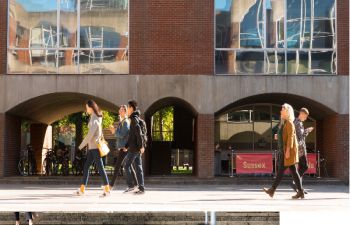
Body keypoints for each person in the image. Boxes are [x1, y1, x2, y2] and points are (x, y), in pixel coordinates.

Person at [263, 103, 305, 199]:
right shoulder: (284, 122)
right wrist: (279, 137)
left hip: (287, 151)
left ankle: (272, 190)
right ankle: (300, 192)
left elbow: (290, 138)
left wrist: (288, 151)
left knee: (282, 171)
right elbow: (286, 136)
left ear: (287, 112)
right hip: (285, 150)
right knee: (293, 172)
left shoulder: (289, 123)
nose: (280, 111)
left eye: (282, 110)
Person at [74, 100, 110, 197]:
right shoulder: (94, 117)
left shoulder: (95, 119)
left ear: (91, 107)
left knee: (100, 168)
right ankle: (82, 189)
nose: (86, 109)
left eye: (87, 107)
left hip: (94, 147)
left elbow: (90, 135)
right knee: (86, 166)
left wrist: (80, 146)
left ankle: (107, 189)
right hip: (92, 147)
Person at [109, 104, 138, 190]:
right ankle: (136, 185)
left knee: (117, 166)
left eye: (121, 110)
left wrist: (114, 131)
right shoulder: (122, 121)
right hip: (124, 147)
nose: (119, 111)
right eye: (119, 110)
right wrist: (114, 131)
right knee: (129, 166)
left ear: (125, 112)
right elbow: (120, 134)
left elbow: (122, 134)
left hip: (125, 148)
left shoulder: (125, 122)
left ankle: (111, 186)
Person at [124, 100, 146, 194]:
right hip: (135, 147)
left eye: (128, 108)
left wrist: (141, 146)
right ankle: (141, 188)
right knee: (138, 167)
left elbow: (138, 133)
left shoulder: (134, 119)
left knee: (126, 165)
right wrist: (126, 146)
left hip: (135, 148)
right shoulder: (134, 118)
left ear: (131, 108)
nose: (127, 110)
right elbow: (132, 135)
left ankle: (131, 186)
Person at [291, 107, 314, 193]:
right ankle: (294, 183)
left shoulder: (296, 122)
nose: (305, 118)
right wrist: (307, 130)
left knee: (300, 168)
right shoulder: (298, 123)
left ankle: (299, 188)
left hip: (298, 148)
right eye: (305, 116)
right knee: (305, 167)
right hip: (300, 149)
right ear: (302, 114)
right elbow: (300, 137)